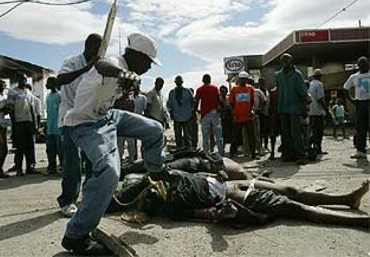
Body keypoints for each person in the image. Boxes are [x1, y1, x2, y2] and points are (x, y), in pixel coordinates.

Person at [60, 32, 165, 255]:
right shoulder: (115, 62)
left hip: (109, 116)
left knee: (155, 130)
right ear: (136, 55)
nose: (148, 68)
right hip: (85, 124)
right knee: (108, 171)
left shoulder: (129, 70)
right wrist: (122, 73)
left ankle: (156, 173)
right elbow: (101, 65)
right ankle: (76, 236)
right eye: (148, 62)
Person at [114, 170, 370, 230]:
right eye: (148, 196)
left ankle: (346, 199)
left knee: (292, 190)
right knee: (296, 208)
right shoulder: (173, 209)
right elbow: (206, 215)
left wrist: (218, 173)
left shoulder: (172, 177)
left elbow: (203, 175)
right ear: (149, 205)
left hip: (234, 183)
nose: (152, 189)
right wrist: (221, 212)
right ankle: (360, 223)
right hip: (239, 196)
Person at [56, 33, 102, 217]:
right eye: (99, 49)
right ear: (90, 47)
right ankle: (67, 201)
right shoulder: (72, 61)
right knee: (72, 162)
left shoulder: (99, 67)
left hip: (89, 118)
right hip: (70, 117)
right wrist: (86, 68)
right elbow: (61, 80)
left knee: (92, 159)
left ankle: (89, 198)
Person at [276, 53, 308, 165]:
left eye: (287, 60)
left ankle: (301, 155)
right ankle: (288, 154)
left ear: (291, 61)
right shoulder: (279, 75)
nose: (285, 62)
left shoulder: (297, 74)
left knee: (296, 133)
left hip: (295, 108)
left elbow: (303, 93)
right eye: (283, 60)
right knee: (285, 134)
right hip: (282, 108)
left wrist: (304, 108)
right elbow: (278, 91)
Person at [8, 74, 39, 176]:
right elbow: (11, 109)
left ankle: (30, 167)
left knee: (30, 146)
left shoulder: (28, 92)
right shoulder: (12, 92)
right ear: (18, 80)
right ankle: (19, 168)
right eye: (21, 79)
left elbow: (32, 109)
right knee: (20, 146)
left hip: (29, 122)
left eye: (25, 79)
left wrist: (35, 124)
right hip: (19, 122)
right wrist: (14, 123)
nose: (23, 81)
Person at [343, 56, 370, 159]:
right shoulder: (354, 77)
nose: (364, 65)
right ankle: (360, 151)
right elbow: (345, 88)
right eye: (361, 63)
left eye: (365, 63)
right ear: (358, 66)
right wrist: (352, 100)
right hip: (360, 103)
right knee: (360, 128)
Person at [229, 71, 256, 159]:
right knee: (235, 136)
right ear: (239, 79)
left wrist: (252, 110)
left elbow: (252, 101)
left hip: (248, 116)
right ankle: (232, 153)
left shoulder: (250, 88)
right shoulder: (234, 89)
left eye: (245, 79)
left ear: (247, 79)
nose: (243, 81)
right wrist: (233, 111)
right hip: (238, 116)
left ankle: (253, 153)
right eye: (241, 79)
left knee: (251, 136)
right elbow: (231, 102)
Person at [195, 74, 224, 156]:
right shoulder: (214, 88)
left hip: (204, 114)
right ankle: (221, 153)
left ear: (203, 80)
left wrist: (196, 111)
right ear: (210, 80)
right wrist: (222, 109)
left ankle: (206, 154)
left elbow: (196, 101)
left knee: (205, 136)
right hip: (214, 113)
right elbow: (219, 100)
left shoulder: (200, 89)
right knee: (218, 134)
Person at [167, 75, 195, 150]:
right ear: (175, 82)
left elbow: (193, 102)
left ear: (182, 82)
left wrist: (192, 112)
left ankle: (189, 151)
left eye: (180, 81)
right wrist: (171, 113)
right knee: (178, 137)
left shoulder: (187, 91)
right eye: (177, 81)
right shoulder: (172, 92)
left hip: (187, 117)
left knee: (187, 136)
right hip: (176, 117)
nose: (178, 82)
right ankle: (179, 151)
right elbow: (169, 105)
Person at [45, 77, 62, 175]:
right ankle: (51, 167)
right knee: (50, 149)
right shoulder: (48, 96)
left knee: (60, 149)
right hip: (50, 127)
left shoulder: (60, 96)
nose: (46, 84)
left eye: (48, 82)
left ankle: (63, 167)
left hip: (58, 128)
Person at [308, 69, 327, 155]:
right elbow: (320, 99)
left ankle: (310, 146)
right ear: (320, 77)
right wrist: (326, 109)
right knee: (319, 131)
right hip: (318, 111)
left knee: (312, 130)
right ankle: (318, 148)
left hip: (310, 111)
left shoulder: (310, 84)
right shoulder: (319, 84)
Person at [114, 92, 136, 164]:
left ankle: (125, 160)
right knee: (125, 145)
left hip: (123, 126)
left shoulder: (119, 101)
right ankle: (126, 160)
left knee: (125, 145)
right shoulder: (129, 101)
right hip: (124, 126)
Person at [219, 85, 233, 150]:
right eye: (221, 91)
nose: (222, 92)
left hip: (230, 119)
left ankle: (232, 149)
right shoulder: (219, 99)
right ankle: (222, 149)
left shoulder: (229, 98)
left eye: (224, 91)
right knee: (223, 134)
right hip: (222, 119)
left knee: (231, 134)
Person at [258, 78, 270, 151]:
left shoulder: (267, 91)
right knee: (260, 132)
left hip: (267, 113)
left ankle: (266, 146)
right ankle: (260, 147)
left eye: (263, 82)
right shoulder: (258, 92)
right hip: (261, 114)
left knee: (266, 131)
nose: (262, 84)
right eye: (261, 83)